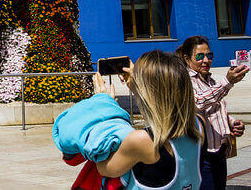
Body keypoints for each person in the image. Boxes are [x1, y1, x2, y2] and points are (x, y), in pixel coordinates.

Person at [55, 50, 203, 189]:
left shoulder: (141, 141)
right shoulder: (199, 124)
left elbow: (103, 167)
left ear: (149, 93)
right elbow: (163, 112)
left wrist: (104, 104)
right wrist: (138, 86)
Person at [176, 36, 247, 189]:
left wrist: (232, 122)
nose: (206, 60)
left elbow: (216, 110)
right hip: (201, 155)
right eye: (200, 56)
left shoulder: (211, 80)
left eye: (209, 55)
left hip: (219, 151)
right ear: (187, 58)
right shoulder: (185, 81)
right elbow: (199, 102)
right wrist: (228, 82)